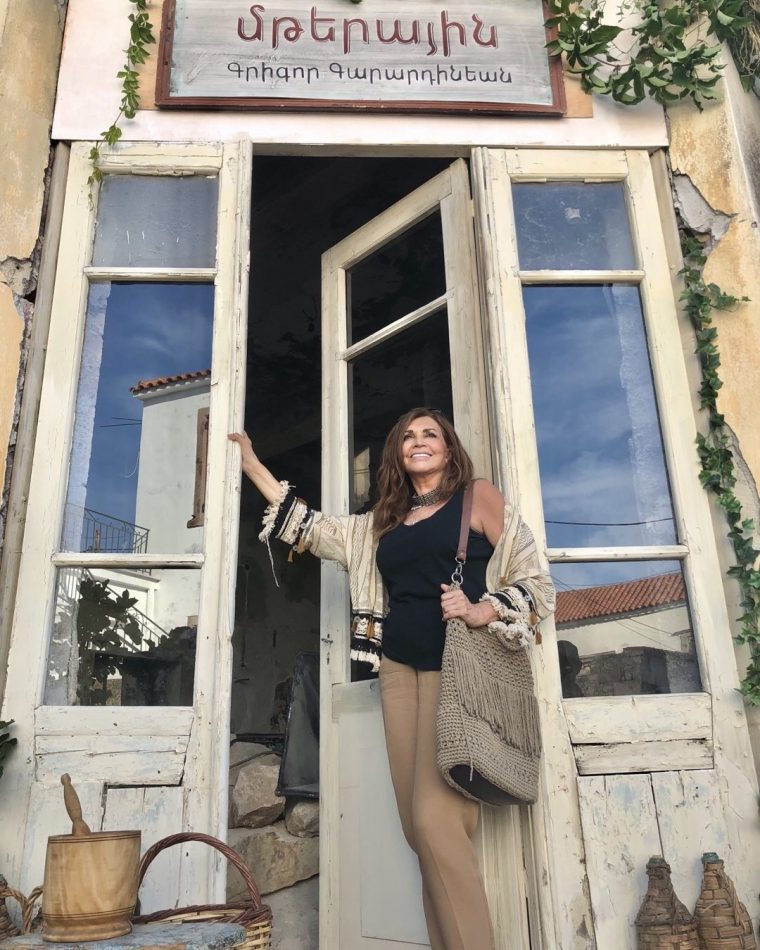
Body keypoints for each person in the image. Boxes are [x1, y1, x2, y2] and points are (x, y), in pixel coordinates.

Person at [229, 408, 555, 950]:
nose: (418, 441)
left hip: (457, 670)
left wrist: (482, 609)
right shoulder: (381, 522)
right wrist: (251, 464)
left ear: (448, 448)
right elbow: (312, 528)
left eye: (430, 434)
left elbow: (537, 583)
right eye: (408, 436)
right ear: (397, 454)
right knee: (418, 830)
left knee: (435, 823)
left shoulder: (476, 498)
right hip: (399, 672)